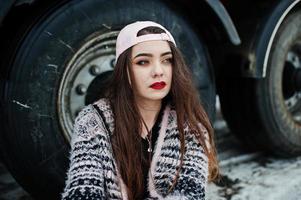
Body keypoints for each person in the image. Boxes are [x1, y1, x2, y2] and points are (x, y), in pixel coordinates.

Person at [61, 21, 219, 200]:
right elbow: (82, 189)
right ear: (125, 70)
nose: (159, 71)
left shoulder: (189, 125)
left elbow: (189, 195)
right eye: (143, 62)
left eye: (167, 60)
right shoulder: (92, 121)